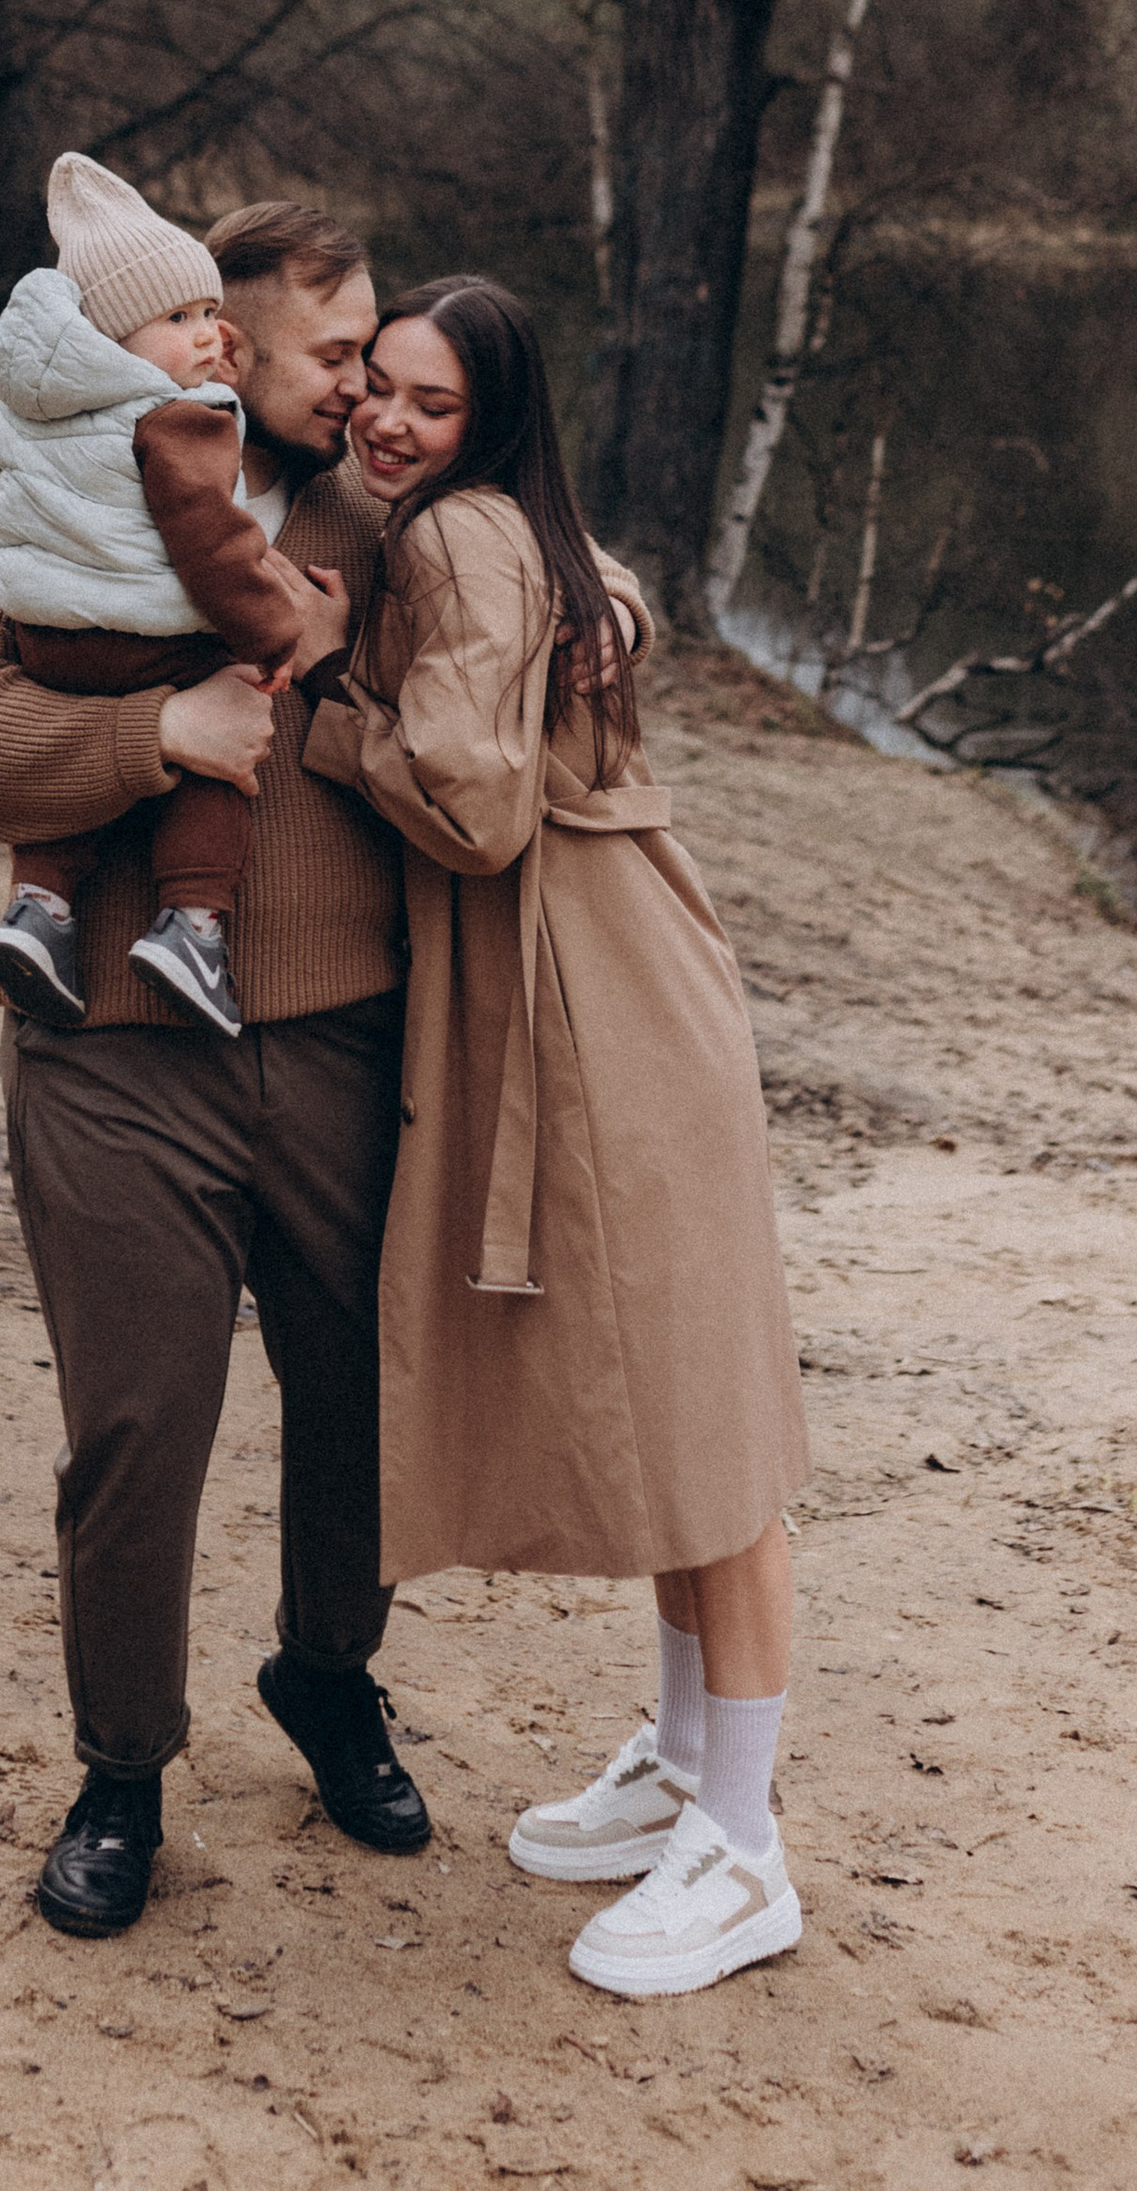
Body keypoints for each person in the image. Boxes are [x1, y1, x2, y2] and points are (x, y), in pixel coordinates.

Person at [0, 201, 432, 1940]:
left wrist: (616, 627)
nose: (360, 390)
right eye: (332, 358)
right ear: (225, 336)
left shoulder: (389, 511)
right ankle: (123, 1771)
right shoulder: (82, 475)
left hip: (346, 1039)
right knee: (136, 1427)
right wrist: (156, 738)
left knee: (357, 1393)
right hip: (118, 1059)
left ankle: (331, 1674)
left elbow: (543, 603)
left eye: (376, 356)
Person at [301, 275, 812, 2003]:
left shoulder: (456, 540)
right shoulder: (512, 533)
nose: (384, 419)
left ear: (488, 426)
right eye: (375, 384)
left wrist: (333, 713)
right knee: (683, 1413)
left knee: (709, 1437)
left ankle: (744, 1851)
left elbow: (474, 799)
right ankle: (685, 1763)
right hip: (624, 974)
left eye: (426, 405)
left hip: (600, 1008)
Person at [0, 152, 306, 1041]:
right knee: (222, 731)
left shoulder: (43, 407)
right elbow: (211, 540)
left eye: (211, 312)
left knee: (81, 740)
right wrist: (275, 631)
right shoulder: (178, 415)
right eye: (180, 317)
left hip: (47, 632)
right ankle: (193, 926)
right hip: (146, 631)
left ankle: (39, 907)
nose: (209, 337)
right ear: (114, 334)